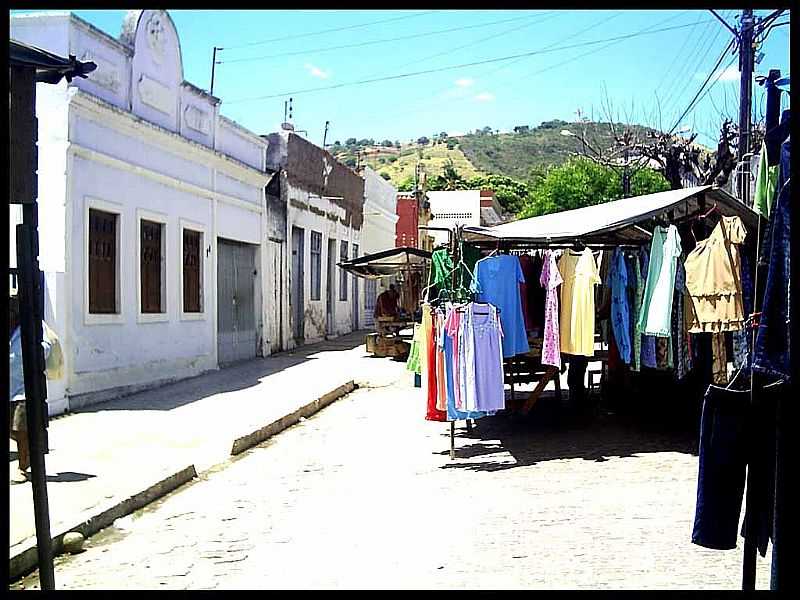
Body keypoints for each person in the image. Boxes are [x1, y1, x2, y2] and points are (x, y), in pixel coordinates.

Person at [9, 296, 55, 484]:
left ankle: (23, 466)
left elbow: (46, 347)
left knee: (21, 429)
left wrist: (32, 352)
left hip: (24, 388)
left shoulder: (34, 326)